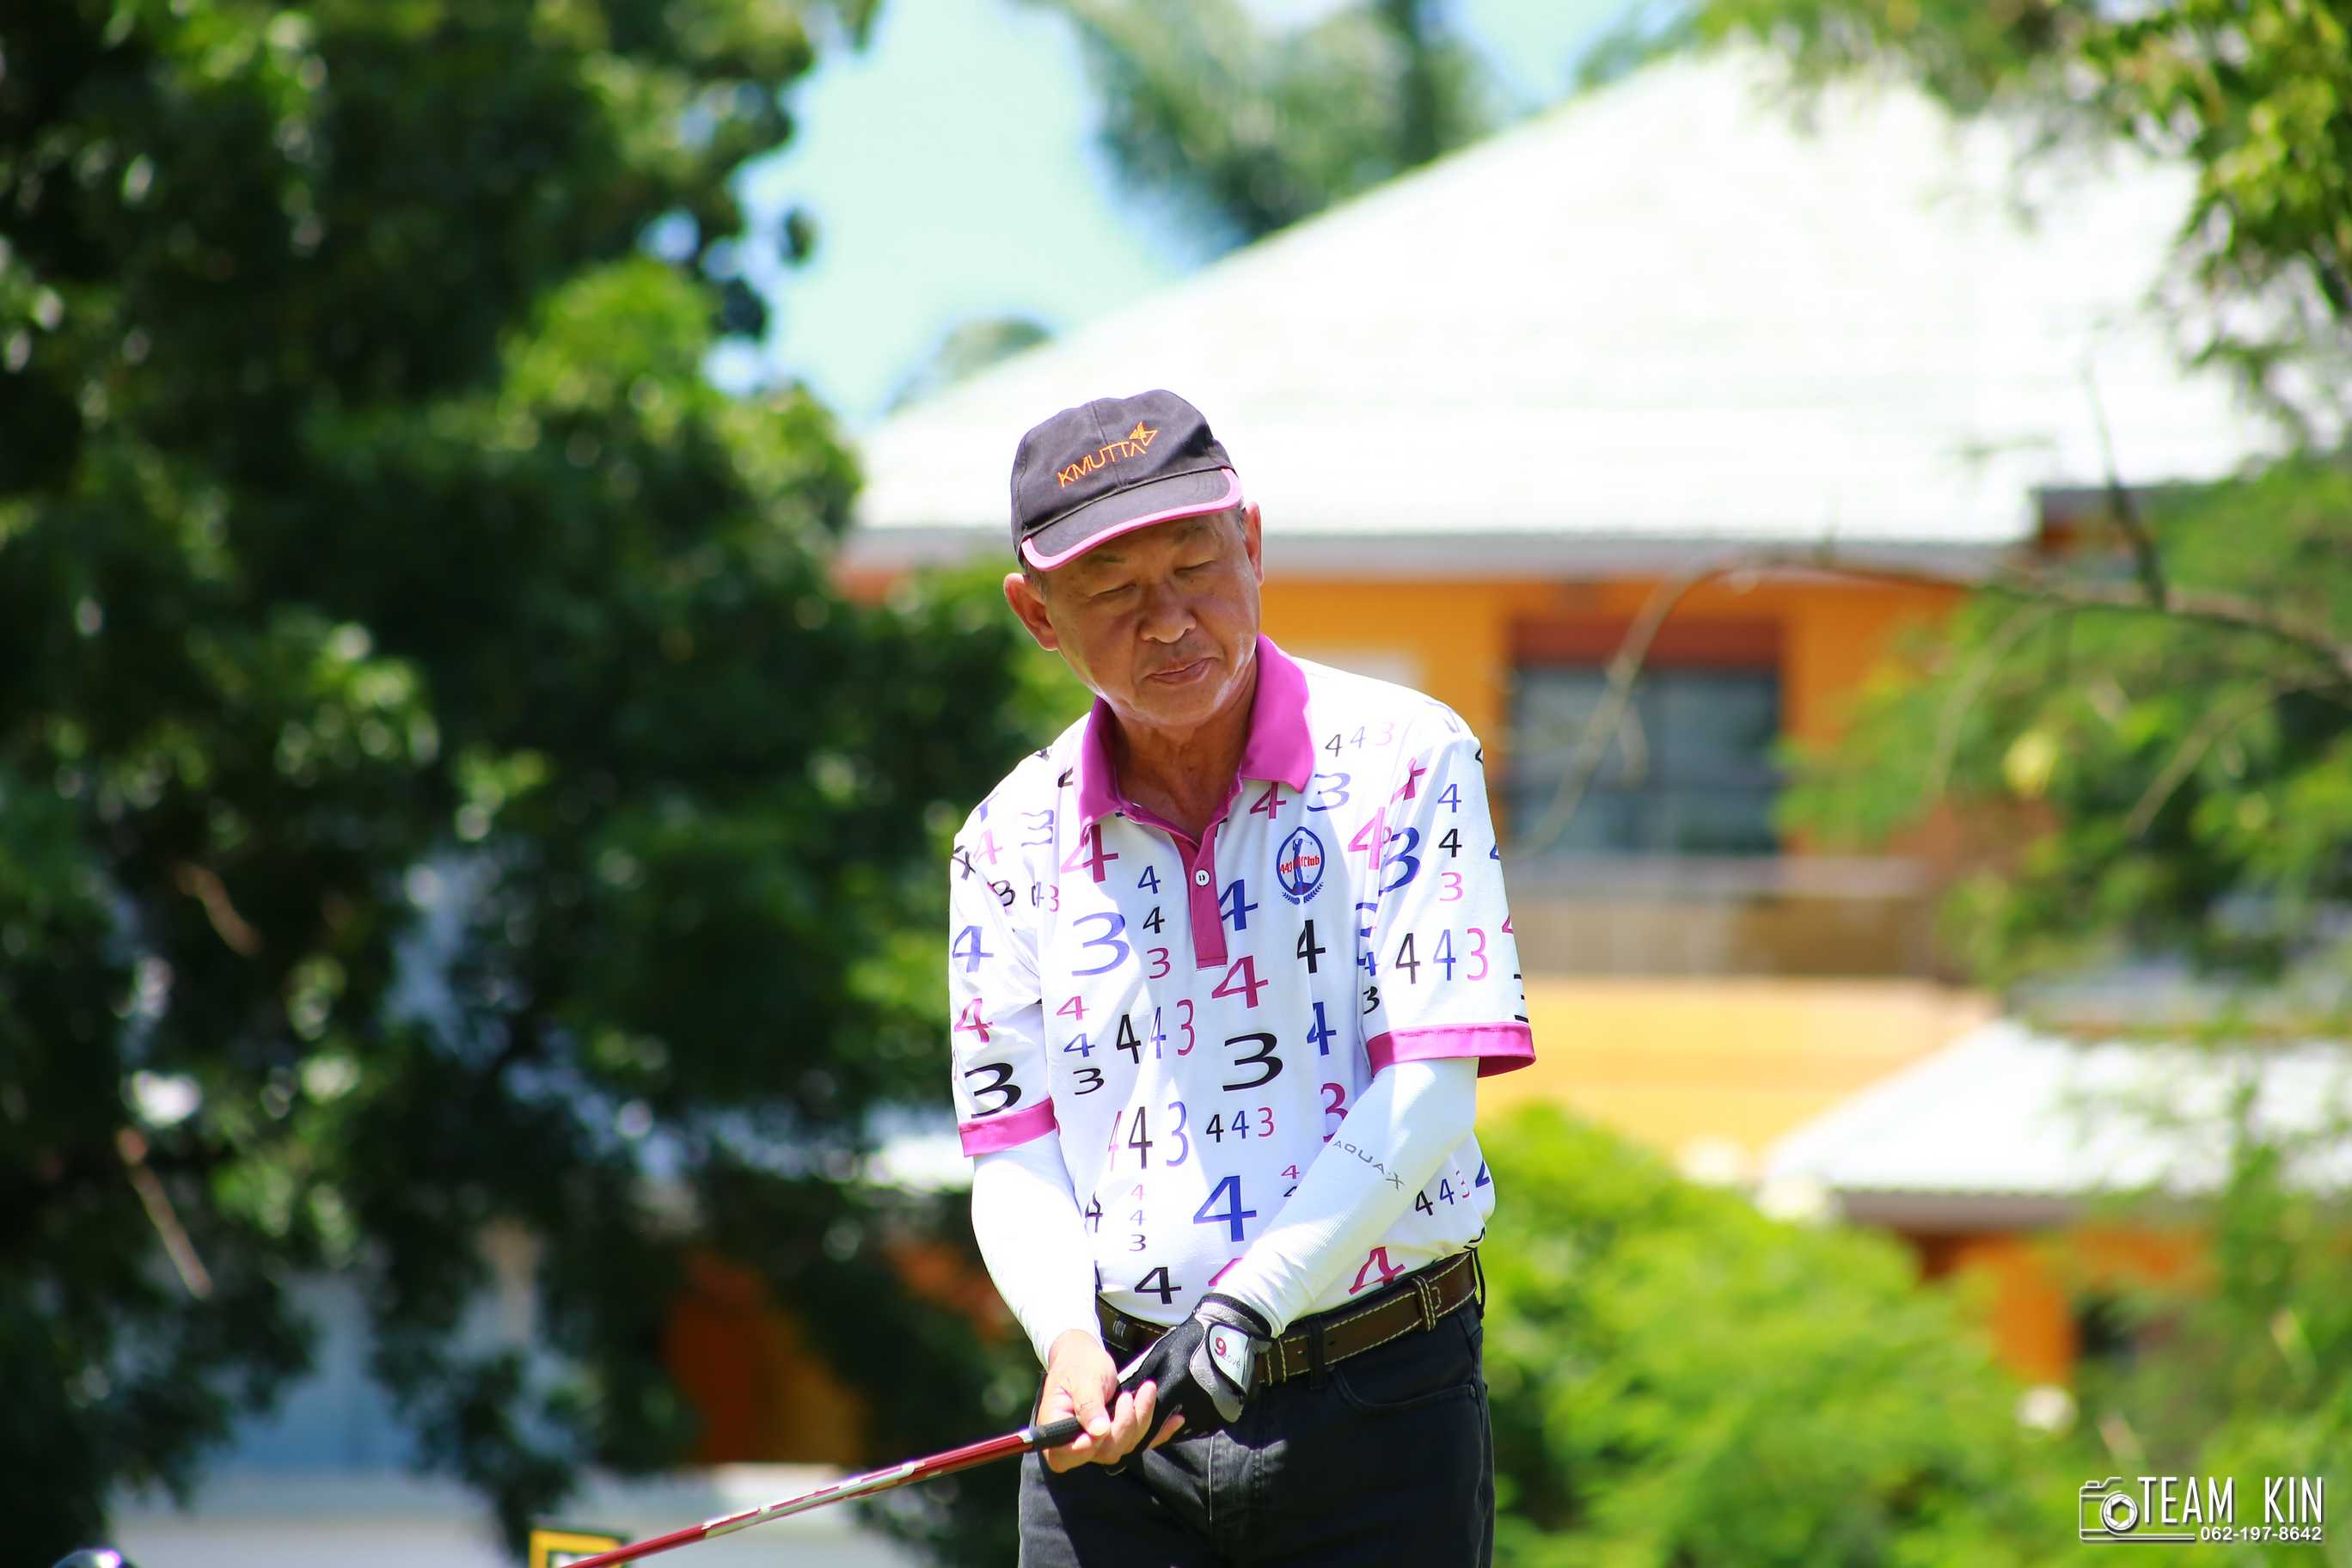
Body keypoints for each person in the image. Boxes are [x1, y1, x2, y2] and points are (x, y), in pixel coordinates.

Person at [947, 389, 1534, 1567]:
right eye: (1113, 590)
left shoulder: (1411, 756)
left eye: (1195, 566)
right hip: (1120, 1426)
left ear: (1253, 544)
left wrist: (1240, 1312)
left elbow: (1431, 1094)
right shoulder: (1003, 839)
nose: (1169, 620)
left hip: (1379, 1402)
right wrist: (1066, 1339)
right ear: (1038, 614)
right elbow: (1014, 1151)